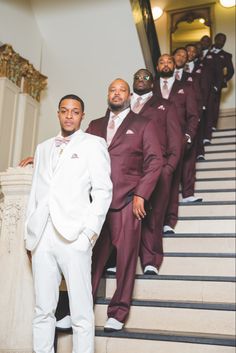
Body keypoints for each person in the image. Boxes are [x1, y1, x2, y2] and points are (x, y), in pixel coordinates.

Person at [24, 94, 112, 353]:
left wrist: (89, 234)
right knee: (43, 309)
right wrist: (30, 236)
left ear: (82, 116)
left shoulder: (94, 144)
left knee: (81, 311)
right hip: (42, 237)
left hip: (74, 237)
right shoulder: (42, 148)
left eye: (75, 111)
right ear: (58, 114)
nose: (69, 115)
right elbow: (36, 194)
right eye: (65, 111)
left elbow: (103, 190)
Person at [87, 78, 163, 331]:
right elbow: (75, 153)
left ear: (129, 96)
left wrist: (142, 193)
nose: (117, 94)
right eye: (112, 90)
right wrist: (46, 156)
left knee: (126, 259)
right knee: (90, 260)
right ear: (107, 94)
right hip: (96, 204)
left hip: (128, 202)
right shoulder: (94, 125)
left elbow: (155, 161)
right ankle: (81, 306)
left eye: (122, 90)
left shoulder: (144, 124)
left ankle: (118, 312)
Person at [131, 68, 182, 275]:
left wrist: (168, 169)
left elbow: (176, 140)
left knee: (154, 215)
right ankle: (120, 260)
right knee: (125, 217)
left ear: (152, 83)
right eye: (137, 77)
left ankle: (151, 260)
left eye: (146, 77)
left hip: (157, 169)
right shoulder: (124, 104)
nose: (141, 80)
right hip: (129, 169)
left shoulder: (166, 106)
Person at [153, 54, 199, 233]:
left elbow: (193, 116)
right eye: (161, 62)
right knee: (156, 183)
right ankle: (154, 220)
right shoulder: (151, 88)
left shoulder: (186, 87)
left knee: (172, 182)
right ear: (157, 67)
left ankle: (169, 221)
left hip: (176, 143)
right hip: (154, 144)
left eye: (169, 62)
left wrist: (187, 137)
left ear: (174, 65)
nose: (165, 65)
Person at [210, 33, 234, 129]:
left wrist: (223, 81)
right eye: (220, 39)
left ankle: (213, 126)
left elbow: (231, 71)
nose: (222, 42)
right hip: (202, 84)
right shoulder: (207, 51)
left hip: (216, 85)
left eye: (224, 40)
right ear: (215, 39)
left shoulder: (227, 55)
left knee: (215, 106)